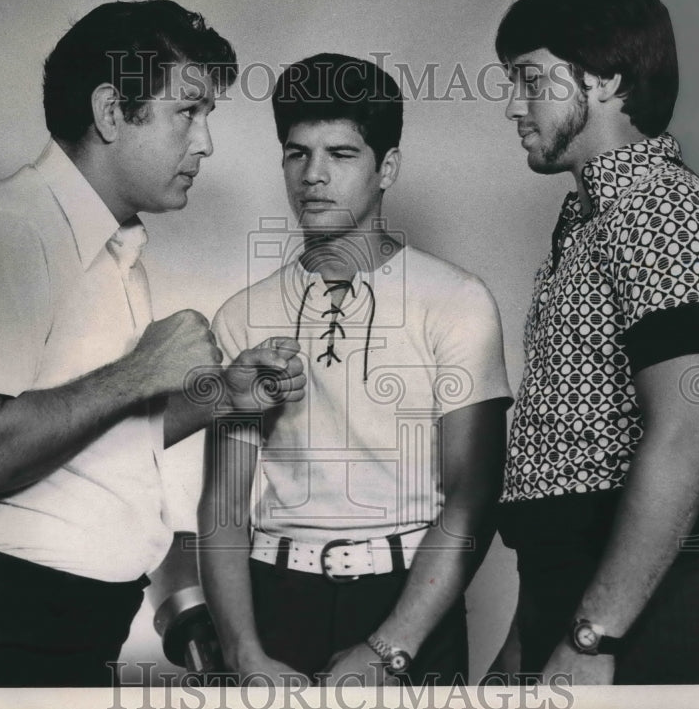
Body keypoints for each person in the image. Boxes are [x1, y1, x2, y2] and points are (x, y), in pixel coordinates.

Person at [0, 0, 304, 687]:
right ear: (110, 112)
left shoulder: (111, 247)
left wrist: (221, 396)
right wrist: (141, 370)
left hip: (67, 632)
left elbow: (82, 437)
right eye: (187, 112)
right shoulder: (3, 231)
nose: (205, 143)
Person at [198, 53, 514, 685]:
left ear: (385, 167)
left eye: (341, 155)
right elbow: (224, 505)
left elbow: (473, 498)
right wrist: (244, 654)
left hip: (409, 598)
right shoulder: (242, 314)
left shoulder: (456, 300)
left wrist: (389, 648)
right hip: (275, 597)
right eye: (297, 153)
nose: (314, 176)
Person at [490, 0, 699, 685]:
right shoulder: (587, 219)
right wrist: (528, 638)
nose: (513, 105)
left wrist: (592, 637)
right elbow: (570, 468)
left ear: (602, 79)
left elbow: (687, 430)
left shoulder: (661, 206)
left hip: (644, 621)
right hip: (575, 601)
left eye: (530, 80)